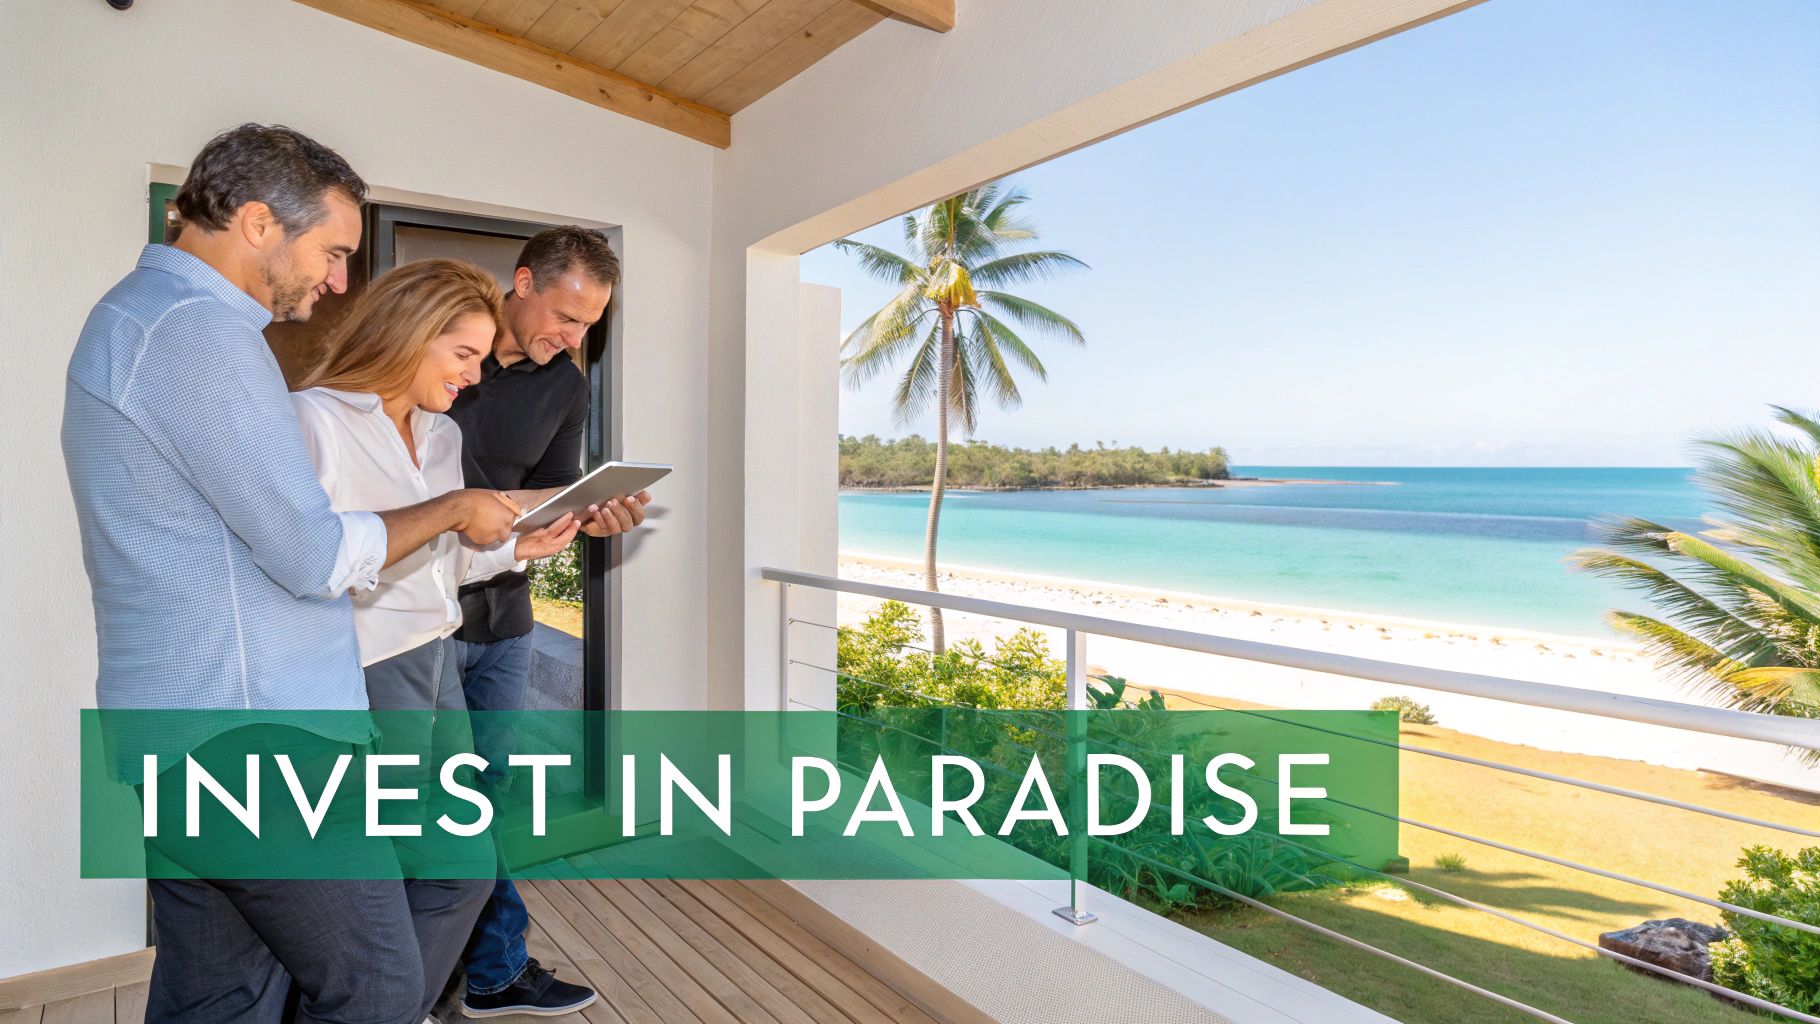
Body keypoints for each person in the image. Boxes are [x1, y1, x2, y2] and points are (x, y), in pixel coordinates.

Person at [62, 124, 520, 1024]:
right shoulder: (198, 331)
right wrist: (455, 511)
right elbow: (313, 554)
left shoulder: (137, 316)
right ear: (261, 222)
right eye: (335, 251)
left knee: (221, 995)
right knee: (379, 986)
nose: (342, 280)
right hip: (253, 740)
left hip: (187, 734)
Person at [291, 258, 597, 1017]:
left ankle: (397, 1006)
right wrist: (456, 513)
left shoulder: (440, 435)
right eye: (463, 355)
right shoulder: (313, 420)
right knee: (377, 872)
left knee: (459, 864)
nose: (473, 376)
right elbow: (308, 562)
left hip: (437, 662)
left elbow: (446, 555)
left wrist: (520, 548)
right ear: (409, 334)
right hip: (364, 668)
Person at [445, 226, 646, 1016]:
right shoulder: (434, 348)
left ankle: (484, 972)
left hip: (505, 619)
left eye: (590, 325)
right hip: (414, 617)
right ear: (521, 282)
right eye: (566, 317)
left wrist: (590, 519)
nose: (574, 339)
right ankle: (447, 971)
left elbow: (558, 494)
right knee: (426, 800)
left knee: (479, 796)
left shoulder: (567, 386)